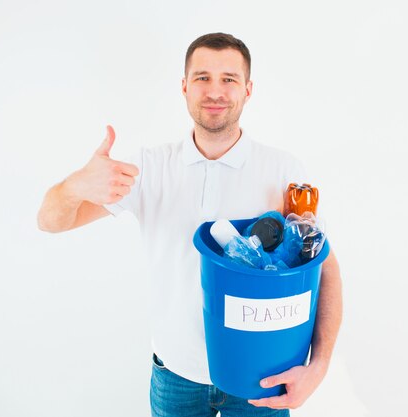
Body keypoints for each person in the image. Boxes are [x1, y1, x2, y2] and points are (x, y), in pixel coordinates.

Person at [37, 32, 342, 417]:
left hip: (262, 379)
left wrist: (319, 365)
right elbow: (50, 221)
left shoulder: (284, 171)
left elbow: (324, 269)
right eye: (202, 78)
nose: (215, 91)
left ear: (248, 90)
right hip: (175, 376)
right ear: (184, 87)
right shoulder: (148, 168)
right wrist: (74, 185)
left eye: (228, 79)